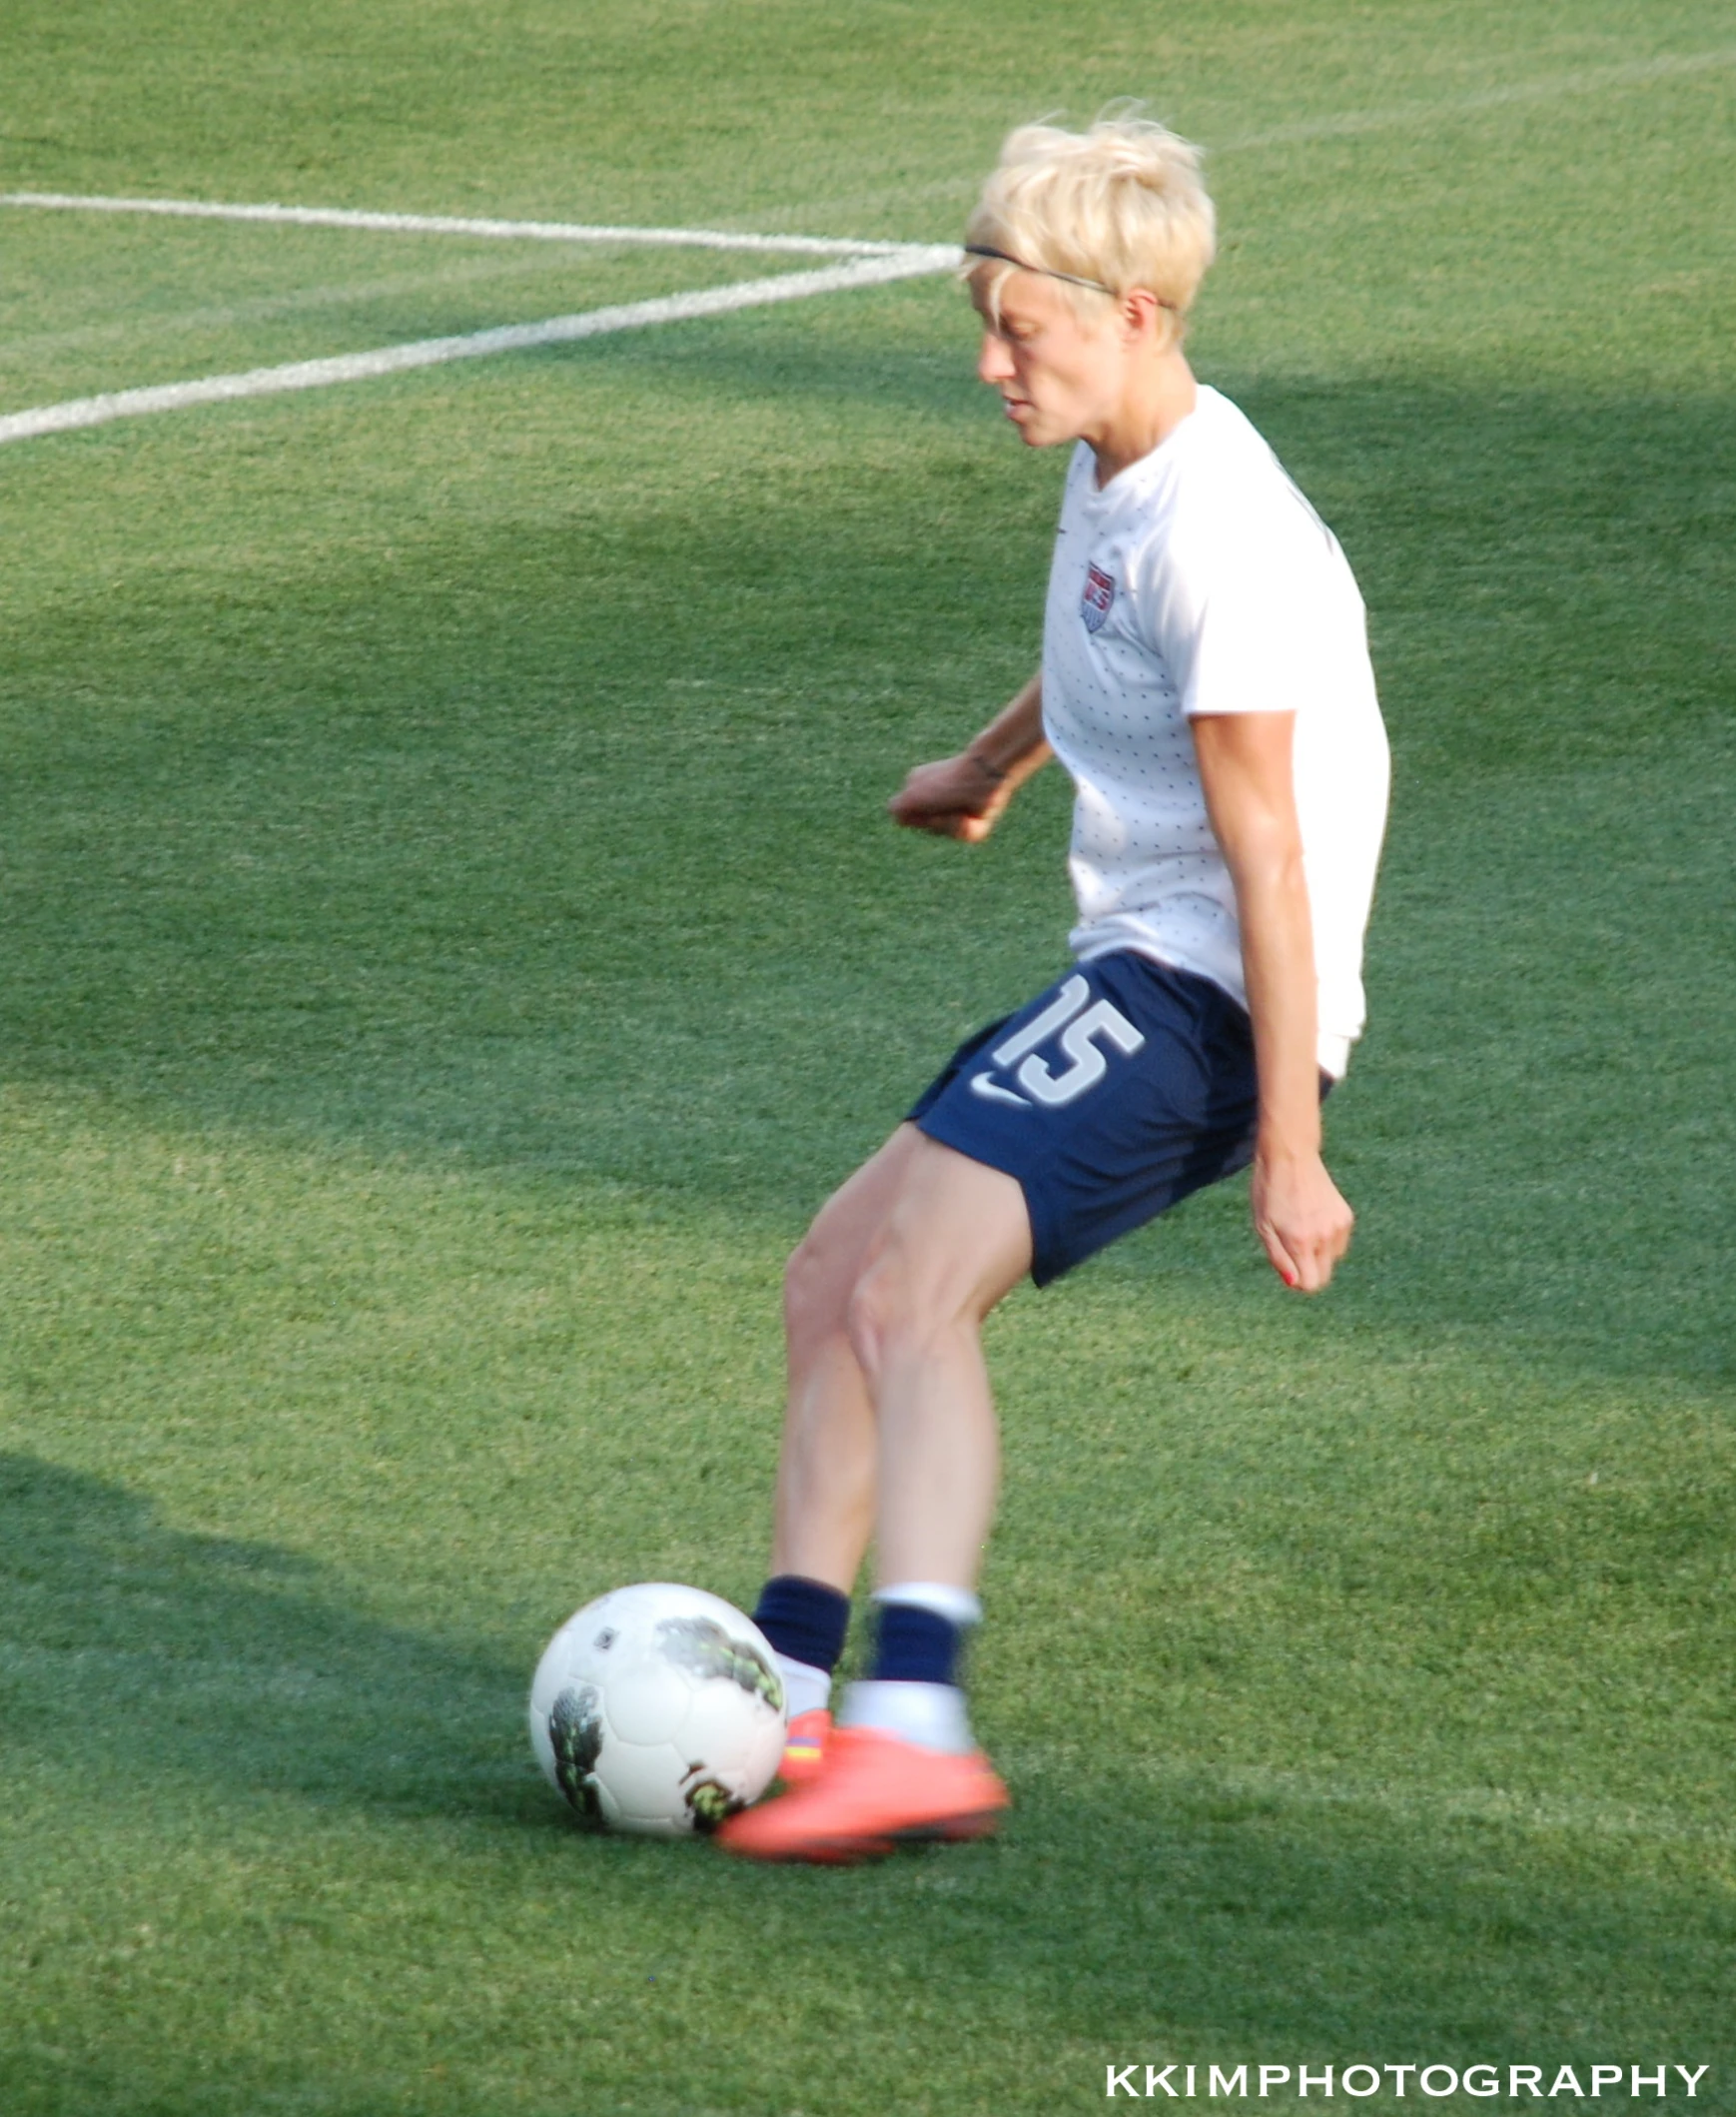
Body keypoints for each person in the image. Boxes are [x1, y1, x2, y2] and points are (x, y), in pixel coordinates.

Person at [717, 114, 1389, 1862]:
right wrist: (989, 761)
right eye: (983, 318)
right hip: (1144, 965)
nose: (989, 362)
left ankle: (912, 1718)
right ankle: (788, 1693)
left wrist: (1290, 1142)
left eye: (1023, 329)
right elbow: (1096, 636)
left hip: (1215, 1001)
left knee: (911, 1293)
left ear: (1141, 313)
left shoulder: (1222, 538)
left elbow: (1272, 861)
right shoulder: (1119, 464)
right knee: (831, 1275)